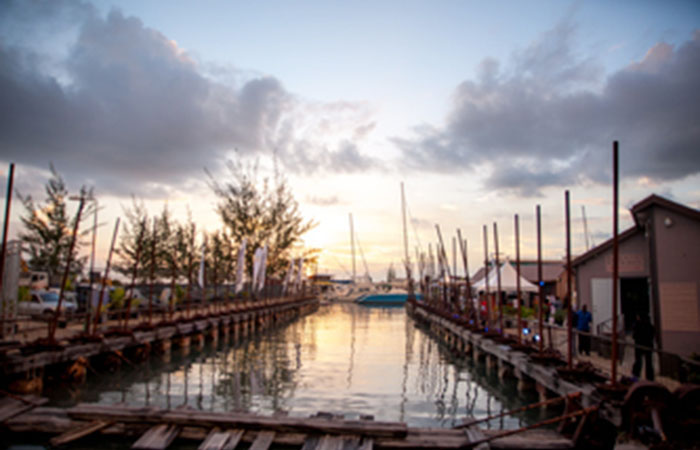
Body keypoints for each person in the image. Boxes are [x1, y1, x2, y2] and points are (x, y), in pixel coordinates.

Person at [632, 313, 655, 380]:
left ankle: (636, 377)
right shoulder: (650, 326)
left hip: (639, 345)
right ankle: (650, 378)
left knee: (638, 362)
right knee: (649, 363)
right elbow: (652, 335)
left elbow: (634, 336)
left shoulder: (637, 325)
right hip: (648, 345)